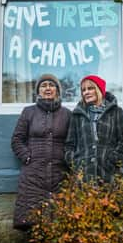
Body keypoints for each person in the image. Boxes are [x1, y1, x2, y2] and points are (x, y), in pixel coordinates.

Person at [11, 74, 71, 230]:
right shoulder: (29, 112)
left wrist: (67, 159)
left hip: (59, 173)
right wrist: (27, 156)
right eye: (43, 86)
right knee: (33, 219)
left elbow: (72, 142)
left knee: (59, 220)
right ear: (38, 91)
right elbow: (17, 139)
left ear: (57, 90)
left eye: (52, 85)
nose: (48, 88)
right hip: (33, 174)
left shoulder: (67, 114)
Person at [65, 75, 123, 182]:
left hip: (108, 174)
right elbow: (69, 145)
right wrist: (76, 163)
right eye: (83, 90)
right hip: (83, 176)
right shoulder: (77, 115)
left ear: (99, 90)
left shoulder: (116, 112)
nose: (86, 92)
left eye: (90, 88)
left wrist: (111, 160)